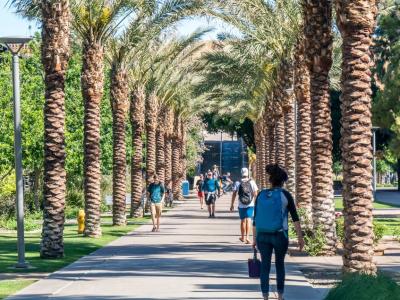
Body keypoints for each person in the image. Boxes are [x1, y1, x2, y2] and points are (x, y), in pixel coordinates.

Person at [253, 164, 304, 300]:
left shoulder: (261, 195)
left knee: (265, 266)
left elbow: (255, 219)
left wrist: (254, 239)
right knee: (280, 265)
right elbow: (295, 217)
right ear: (282, 181)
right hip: (280, 235)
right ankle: (280, 297)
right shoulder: (285, 195)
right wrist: (300, 237)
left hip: (262, 236)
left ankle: (265, 297)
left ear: (271, 180)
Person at [230, 168, 258, 244]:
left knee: (243, 220)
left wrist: (232, 204)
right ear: (247, 173)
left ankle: (242, 237)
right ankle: (248, 237)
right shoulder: (252, 182)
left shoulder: (237, 182)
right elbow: (255, 194)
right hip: (250, 204)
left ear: (241, 173)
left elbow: (234, 194)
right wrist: (257, 204)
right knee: (249, 220)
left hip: (241, 204)